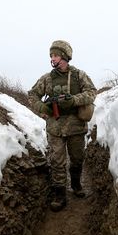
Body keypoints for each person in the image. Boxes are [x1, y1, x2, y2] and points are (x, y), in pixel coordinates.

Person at [28, 40, 96, 212]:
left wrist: (74, 100)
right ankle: (59, 194)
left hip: (76, 127)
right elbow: (32, 95)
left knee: (77, 159)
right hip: (55, 128)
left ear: (65, 56)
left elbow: (91, 92)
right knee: (57, 162)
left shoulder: (79, 75)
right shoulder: (47, 79)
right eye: (51, 55)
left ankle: (76, 184)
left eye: (56, 55)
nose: (53, 58)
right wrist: (42, 108)